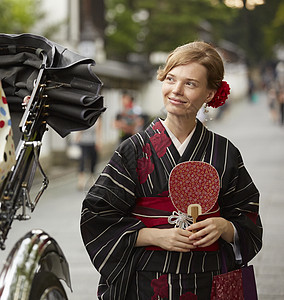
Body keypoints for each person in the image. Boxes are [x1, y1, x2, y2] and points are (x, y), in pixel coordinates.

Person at [80, 41, 262, 299]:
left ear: (210, 93)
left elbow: (248, 216)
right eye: (170, 79)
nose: (176, 90)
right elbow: (97, 215)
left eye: (190, 83)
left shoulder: (224, 152)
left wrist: (224, 227)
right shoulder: (134, 149)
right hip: (146, 280)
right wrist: (152, 235)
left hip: (209, 280)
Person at [75, 118, 102, 190]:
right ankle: (81, 181)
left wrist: (98, 141)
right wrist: (77, 138)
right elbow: (80, 129)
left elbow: (98, 131)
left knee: (93, 161)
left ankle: (91, 180)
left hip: (93, 143)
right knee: (82, 161)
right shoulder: (84, 118)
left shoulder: (97, 119)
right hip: (83, 142)